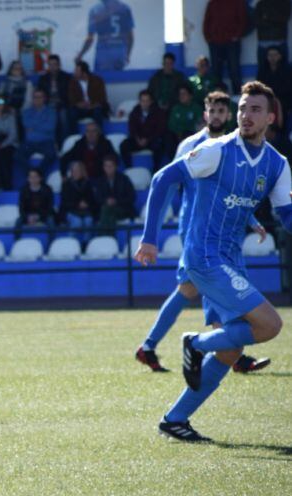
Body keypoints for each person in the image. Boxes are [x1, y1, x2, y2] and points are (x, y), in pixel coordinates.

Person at [134, 81, 291, 442]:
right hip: (203, 257)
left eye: (254, 109)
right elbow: (162, 179)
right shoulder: (216, 150)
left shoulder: (277, 164)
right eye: (242, 108)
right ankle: (194, 343)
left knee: (232, 347)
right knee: (270, 325)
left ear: (270, 117)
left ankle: (175, 420)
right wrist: (150, 239)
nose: (245, 115)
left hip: (230, 259)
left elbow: (286, 215)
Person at [135, 90, 270, 375]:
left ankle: (150, 347)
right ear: (205, 113)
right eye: (213, 110)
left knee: (194, 289)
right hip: (196, 230)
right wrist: (153, 234)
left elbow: (235, 190)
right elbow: (169, 182)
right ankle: (230, 351)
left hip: (224, 229)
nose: (218, 115)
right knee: (204, 286)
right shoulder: (192, 145)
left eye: (223, 111)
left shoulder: (234, 145)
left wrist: (250, 217)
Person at [74, 0, 135, 72]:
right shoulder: (125, 8)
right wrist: (127, 55)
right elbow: (130, 36)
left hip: (103, 53)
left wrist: (80, 54)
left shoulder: (95, 9)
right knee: (118, 80)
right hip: (120, 52)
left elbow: (90, 38)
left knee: (101, 80)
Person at [203, 0, 245, 94]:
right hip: (215, 43)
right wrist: (208, 37)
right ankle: (217, 96)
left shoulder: (237, 3)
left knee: (234, 70)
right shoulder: (213, 3)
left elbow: (242, 20)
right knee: (216, 72)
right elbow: (207, 21)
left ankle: (238, 96)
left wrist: (237, 36)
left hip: (232, 43)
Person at [119, 89, 166, 170]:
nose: (145, 103)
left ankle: (155, 170)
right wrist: (137, 139)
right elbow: (132, 128)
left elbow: (159, 130)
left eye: (147, 101)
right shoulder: (135, 112)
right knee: (124, 145)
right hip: (138, 140)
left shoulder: (158, 112)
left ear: (151, 101)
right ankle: (129, 169)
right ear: (139, 101)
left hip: (151, 140)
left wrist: (148, 139)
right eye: (142, 101)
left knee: (159, 146)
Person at [19, 89, 58, 174]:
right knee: (18, 155)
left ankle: (38, 174)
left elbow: (50, 127)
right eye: (35, 97)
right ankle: (32, 173)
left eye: (40, 97)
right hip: (30, 142)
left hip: (46, 142)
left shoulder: (51, 111)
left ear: (44, 98)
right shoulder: (26, 112)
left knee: (51, 154)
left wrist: (33, 127)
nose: (38, 99)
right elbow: (26, 123)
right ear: (32, 99)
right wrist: (42, 123)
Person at [93, 155, 136, 232]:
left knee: (106, 210)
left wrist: (116, 201)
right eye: (106, 166)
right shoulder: (100, 181)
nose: (108, 168)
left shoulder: (124, 179)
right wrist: (106, 201)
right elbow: (97, 198)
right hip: (107, 210)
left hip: (123, 209)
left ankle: (103, 236)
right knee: (108, 213)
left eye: (110, 166)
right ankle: (110, 238)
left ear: (115, 166)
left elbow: (131, 197)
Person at [36, 54, 72, 143]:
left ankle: (65, 144)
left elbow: (70, 94)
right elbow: (39, 94)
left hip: (62, 103)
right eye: (50, 64)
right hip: (48, 104)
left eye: (55, 64)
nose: (52, 67)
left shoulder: (66, 77)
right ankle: (51, 144)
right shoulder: (43, 78)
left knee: (64, 118)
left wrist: (61, 102)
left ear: (59, 65)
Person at [59, 161, 96, 242]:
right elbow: (64, 202)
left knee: (88, 221)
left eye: (77, 171)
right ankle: (70, 242)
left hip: (86, 211)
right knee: (77, 222)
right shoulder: (66, 185)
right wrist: (77, 205)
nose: (75, 173)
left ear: (82, 171)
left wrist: (86, 204)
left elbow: (92, 200)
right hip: (71, 211)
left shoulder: (88, 184)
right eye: (73, 171)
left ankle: (86, 244)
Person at [67, 60, 108, 132]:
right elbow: (71, 98)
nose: (74, 73)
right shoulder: (72, 82)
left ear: (84, 73)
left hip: (94, 107)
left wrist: (92, 104)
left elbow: (102, 98)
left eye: (77, 71)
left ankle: (99, 135)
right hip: (80, 109)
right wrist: (79, 104)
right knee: (71, 113)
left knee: (97, 112)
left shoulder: (97, 80)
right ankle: (73, 136)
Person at [257, 47, 292, 127]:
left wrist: (276, 99)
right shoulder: (262, 69)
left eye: (275, 55)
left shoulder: (287, 69)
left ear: (280, 56)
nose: (272, 58)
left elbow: (288, 87)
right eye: (270, 55)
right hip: (267, 97)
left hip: (284, 99)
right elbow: (259, 85)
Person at [165, 84, 202, 157]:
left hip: (191, 135)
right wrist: (179, 132)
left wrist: (186, 131)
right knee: (168, 137)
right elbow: (171, 124)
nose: (181, 96)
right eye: (180, 94)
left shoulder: (197, 108)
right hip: (177, 135)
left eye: (184, 94)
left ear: (190, 96)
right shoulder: (176, 108)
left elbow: (199, 124)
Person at [16, 168, 55, 235]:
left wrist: (38, 217)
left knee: (50, 221)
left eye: (35, 177)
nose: (33, 179)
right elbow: (21, 208)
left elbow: (49, 207)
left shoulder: (47, 189)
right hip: (28, 215)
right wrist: (28, 217)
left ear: (40, 178)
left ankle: (52, 243)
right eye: (31, 177)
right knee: (18, 222)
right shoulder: (23, 190)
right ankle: (16, 241)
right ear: (28, 179)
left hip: (43, 215)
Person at [255, 0, 290, 66]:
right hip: (264, 42)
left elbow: (284, 18)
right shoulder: (260, 4)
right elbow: (257, 22)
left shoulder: (285, 2)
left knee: (283, 73)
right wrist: (274, 20)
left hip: (279, 42)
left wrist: (266, 17)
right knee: (263, 73)